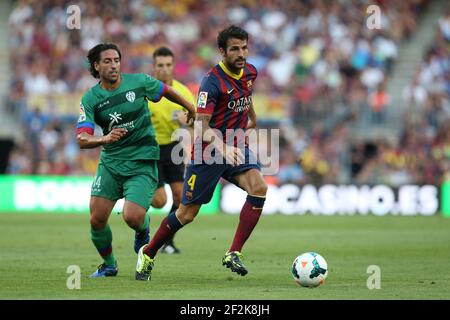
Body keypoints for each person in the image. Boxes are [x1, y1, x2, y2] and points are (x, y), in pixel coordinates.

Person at [135, 25, 267, 281]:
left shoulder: (250, 71)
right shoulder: (211, 82)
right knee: (187, 213)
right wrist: (223, 148)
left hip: (236, 146)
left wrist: (252, 117)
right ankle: (149, 251)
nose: (241, 53)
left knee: (259, 188)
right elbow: (201, 124)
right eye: (234, 49)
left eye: (244, 47)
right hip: (209, 152)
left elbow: (246, 94)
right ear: (222, 51)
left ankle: (233, 252)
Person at [76, 43, 195, 278]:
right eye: (107, 61)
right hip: (110, 164)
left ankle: (143, 228)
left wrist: (190, 106)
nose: (113, 65)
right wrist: (105, 138)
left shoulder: (139, 82)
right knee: (96, 220)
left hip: (142, 160)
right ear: (96, 66)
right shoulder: (90, 99)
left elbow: (165, 91)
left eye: (116, 60)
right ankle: (109, 265)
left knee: (132, 216)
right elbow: (82, 138)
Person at [148, 46, 196, 254]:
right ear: (154, 67)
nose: (165, 69)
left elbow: (198, 123)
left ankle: (167, 241)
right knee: (159, 202)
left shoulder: (183, 92)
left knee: (180, 198)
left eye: (168, 65)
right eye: (160, 65)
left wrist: (187, 121)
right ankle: (135, 195)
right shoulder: (146, 91)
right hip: (149, 148)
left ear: (174, 66)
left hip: (173, 147)